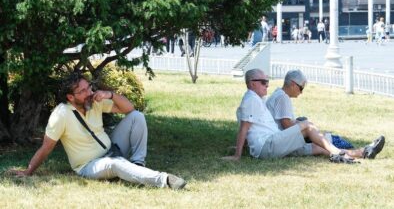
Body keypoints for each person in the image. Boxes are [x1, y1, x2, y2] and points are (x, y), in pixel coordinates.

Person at [10, 72, 186, 190]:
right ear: (71, 97)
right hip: (89, 165)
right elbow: (46, 148)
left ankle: (137, 166)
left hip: (112, 150)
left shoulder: (94, 101)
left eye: (89, 87)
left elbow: (129, 108)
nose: (89, 92)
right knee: (115, 164)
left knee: (137, 116)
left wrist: (109, 95)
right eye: (82, 91)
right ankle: (164, 180)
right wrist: (28, 171)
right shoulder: (61, 115)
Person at [222, 69, 385, 163]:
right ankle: (338, 153)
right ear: (252, 84)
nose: (267, 84)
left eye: (267, 81)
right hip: (270, 145)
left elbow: (253, 128)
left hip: (275, 143)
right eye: (263, 82)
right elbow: (245, 127)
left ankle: (362, 152)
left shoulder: (257, 99)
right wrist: (237, 155)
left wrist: (241, 148)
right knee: (310, 126)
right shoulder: (253, 99)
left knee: (318, 147)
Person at [266, 69, 385, 156]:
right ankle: (362, 151)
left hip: (281, 140)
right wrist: (307, 127)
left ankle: (363, 151)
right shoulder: (283, 97)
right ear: (292, 84)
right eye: (301, 88)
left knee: (322, 138)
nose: (301, 92)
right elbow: (287, 126)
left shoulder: (278, 95)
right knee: (326, 140)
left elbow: (286, 123)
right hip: (282, 142)